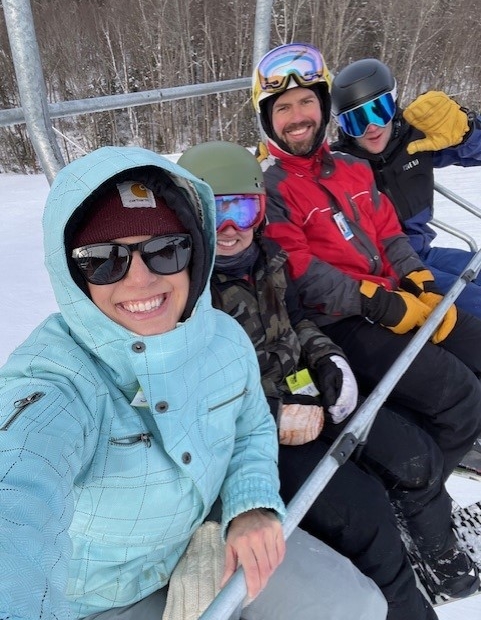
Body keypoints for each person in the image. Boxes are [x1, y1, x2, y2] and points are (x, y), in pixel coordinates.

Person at [0, 145, 388, 620]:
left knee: (360, 605)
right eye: (102, 259)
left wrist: (249, 505)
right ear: (71, 273)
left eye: (166, 250)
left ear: (193, 252)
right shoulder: (58, 381)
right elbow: (16, 493)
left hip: (206, 535)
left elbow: (249, 429)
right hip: (95, 599)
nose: (141, 280)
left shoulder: (223, 337)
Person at [178, 139, 479, 615]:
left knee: (416, 458)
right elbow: (189, 389)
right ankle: (404, 607)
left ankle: (437, 559)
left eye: (243, 207)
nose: (231, 227)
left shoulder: (269, 258)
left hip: (308, 393)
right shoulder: (184, 289)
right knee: (365, 515)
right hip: (257, 432)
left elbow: (299, 320)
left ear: (260, 210)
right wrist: (274, 412)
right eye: (214, 212)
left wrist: (327, 359)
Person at [252, 42, 481, 496]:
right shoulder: (269, 187)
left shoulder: (353, 168)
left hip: (393, 291)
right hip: (347, 315)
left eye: (306, 102)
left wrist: (417, 279)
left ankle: (438, 467)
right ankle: (420, 498)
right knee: (459, 396)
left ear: (321, 110)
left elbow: (391, 234)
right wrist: (380, 302)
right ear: (268, 121)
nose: (297, 116)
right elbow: (298, 267)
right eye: (283, 108)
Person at [330, 58, 481, 318]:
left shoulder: (415, 139)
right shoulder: (337, 165)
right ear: (341, 126)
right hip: (393, 268)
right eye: (356, 121)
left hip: (425, 251)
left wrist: (467, 130)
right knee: (474, 303)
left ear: (394, 103)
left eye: (379, 110)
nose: (372, 127)